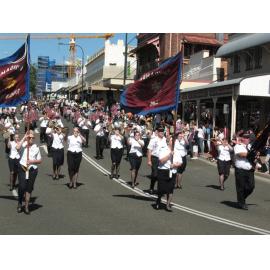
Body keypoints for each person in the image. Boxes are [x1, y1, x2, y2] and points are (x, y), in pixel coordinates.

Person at [16, 131, 42, 215]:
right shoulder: (23, 145)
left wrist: (32, 161)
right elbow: (17, 147)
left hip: (32, 170)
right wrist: (24, 137)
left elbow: (40, 160)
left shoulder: (36, 147)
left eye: (32, 138)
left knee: (29, 188)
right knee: (22, 186)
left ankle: (26, 206)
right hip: (23, 168)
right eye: (29, 137)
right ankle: (20, 202)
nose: (31, 139)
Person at [154, 137, 182, 212]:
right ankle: (158, 200)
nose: (173, 142)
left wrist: (175, 165)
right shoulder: (163, 149)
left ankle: (167, 205)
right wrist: (170, 155)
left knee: (170, 189)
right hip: (163, 171)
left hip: (172, 171)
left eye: (174, 141)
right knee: (161, 189)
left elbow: (180, 162)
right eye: (172, 141)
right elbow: (161, 160)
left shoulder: (177, 151)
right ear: (168, 142)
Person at [233, 133, 255, 210]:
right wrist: (252, 154)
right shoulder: (238, 146)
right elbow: (242, 154)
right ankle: (241, 202)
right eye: (244, 137)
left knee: (251, 187)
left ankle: (241, 198)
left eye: (247, 138)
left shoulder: (250, 147)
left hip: (249, 170)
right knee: (241, 187)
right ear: (241, 138)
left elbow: (253, 156)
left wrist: (256, 155)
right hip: (240, 170)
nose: (246, 139)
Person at [147, 127, 167, 194]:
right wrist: (149, 160)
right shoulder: (154, 139)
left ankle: (160, 189)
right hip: (155, 158)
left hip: (162, 158)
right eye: (160, 132)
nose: (162, 133)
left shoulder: (164, 139)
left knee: (161, 175)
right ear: (158, 133)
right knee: (155, 174)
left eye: (163, 132)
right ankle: (151, 187)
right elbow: (149, 150)